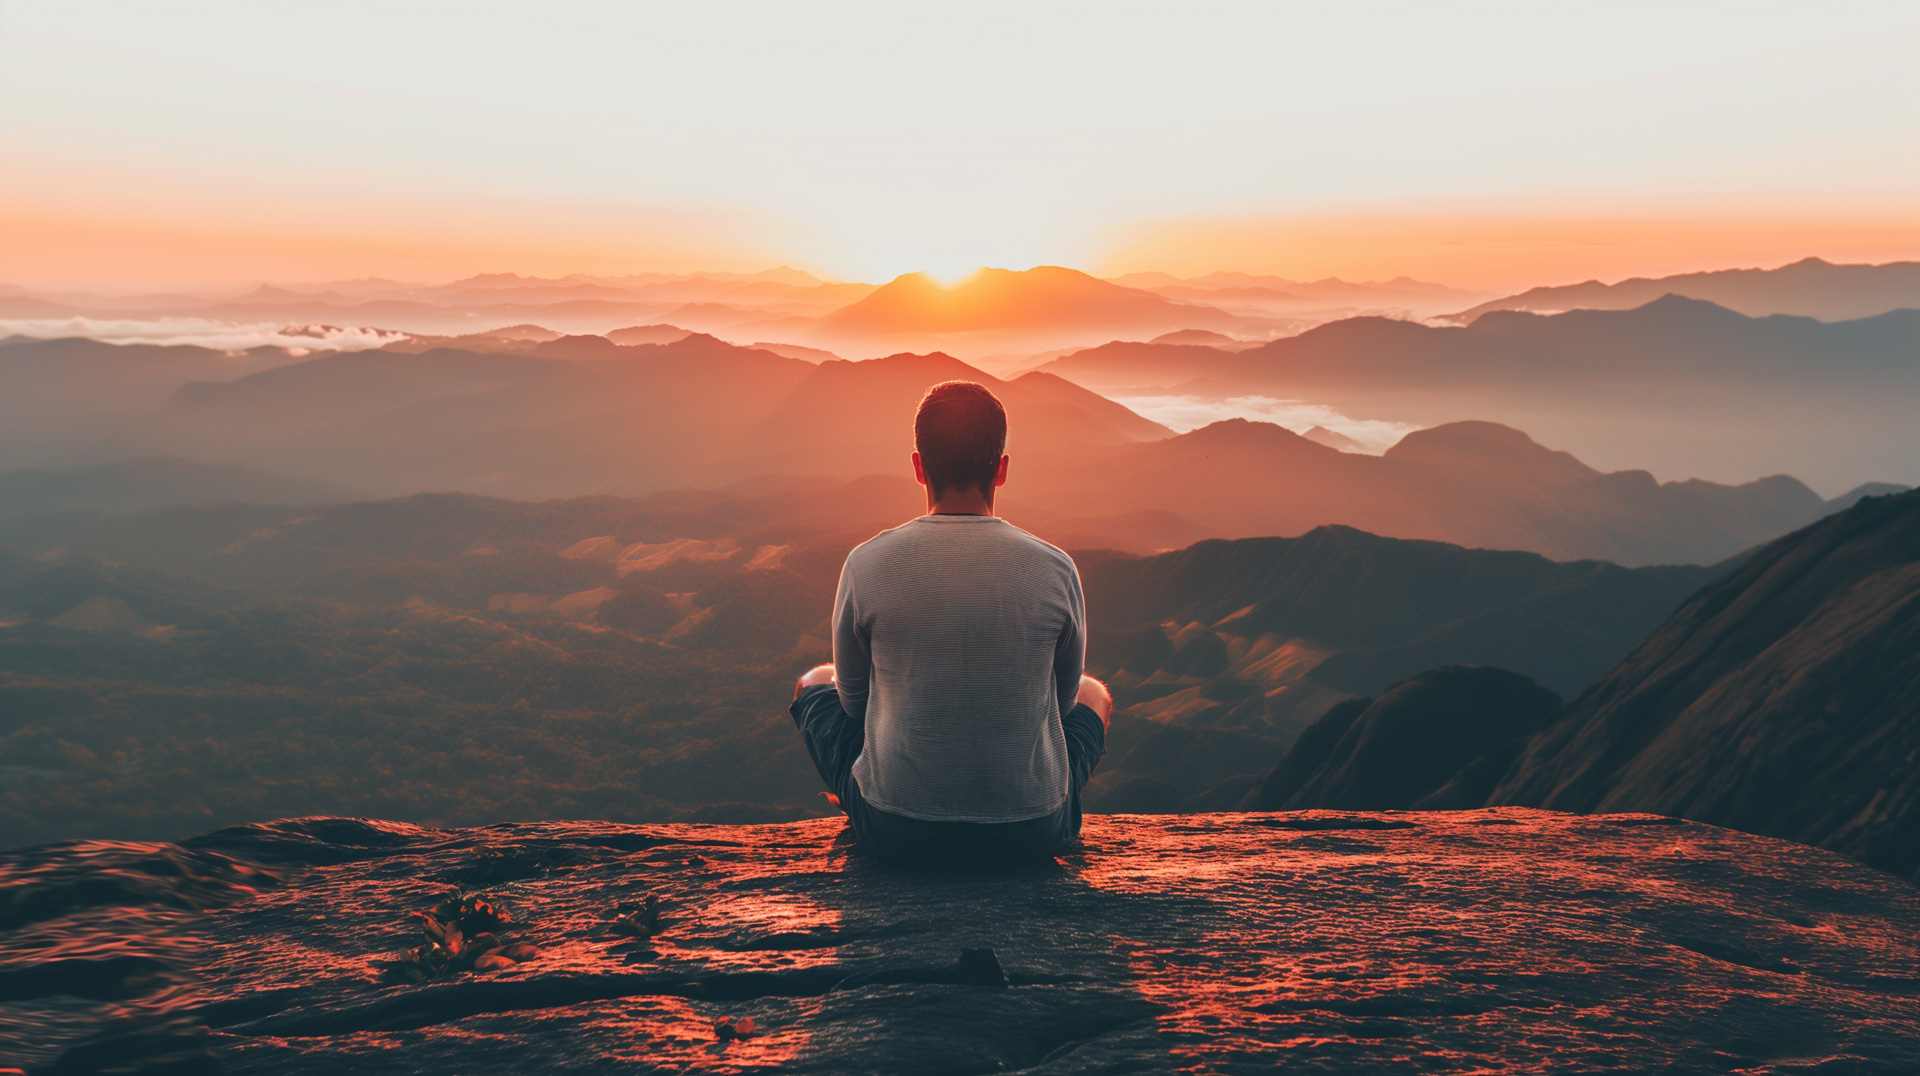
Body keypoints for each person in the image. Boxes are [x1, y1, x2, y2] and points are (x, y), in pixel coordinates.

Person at [789, 380, 1113, 866]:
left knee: (815, 680)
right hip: (1034, 832)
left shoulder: (866, 563)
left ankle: (862, 796)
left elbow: (853, 706)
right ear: (1001, 470)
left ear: (919, 466)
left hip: (895, 831)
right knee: (1094, 692)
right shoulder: (1056, 568)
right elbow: (1064, 704)